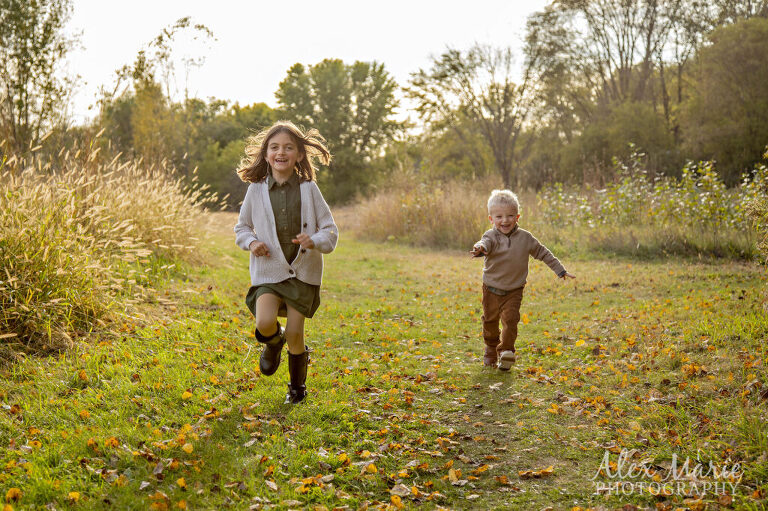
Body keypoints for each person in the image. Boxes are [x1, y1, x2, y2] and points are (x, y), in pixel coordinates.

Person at [234, 121, 338, 404]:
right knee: (265, 322)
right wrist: (251, 242)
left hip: (302, 274)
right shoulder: (255, 190)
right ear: (266, 154)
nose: (281, 152)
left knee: (295, 332)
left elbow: (330, 229)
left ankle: (297, 389)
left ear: (299, 154)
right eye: (275, 147)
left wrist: (314, 240)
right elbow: (242, 227)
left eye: (288, 147)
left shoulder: (309, 189)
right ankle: (273, 342)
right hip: (269, 271)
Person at [470, 189, 575, 371]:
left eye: (510, 216)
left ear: (517, 216)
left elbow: (543, 253)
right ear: (491, 219)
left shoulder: (525, 238)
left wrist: (560, 270)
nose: (505, 220)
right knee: (490, 321)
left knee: (511, 320)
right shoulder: (490, 236)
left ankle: (506, 352)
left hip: (514, 290)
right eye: (499, 216)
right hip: (491, 289)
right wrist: (480, 248)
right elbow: (484, 244)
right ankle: (490, 348)